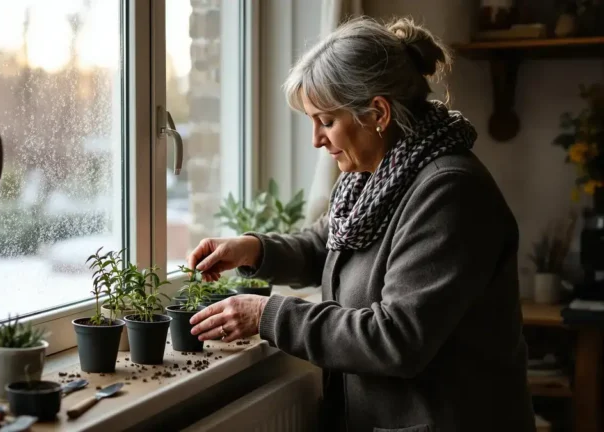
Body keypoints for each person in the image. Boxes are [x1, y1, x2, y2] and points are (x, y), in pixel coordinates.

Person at [186, 16, 536, 432]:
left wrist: (267, 314)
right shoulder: (371, 176)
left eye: (327, 121)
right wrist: (255, 250)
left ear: (378, 113)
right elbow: (329, 247)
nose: (316, 139)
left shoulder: (450, 193)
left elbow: (397, 338)